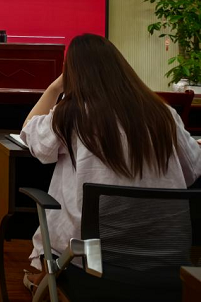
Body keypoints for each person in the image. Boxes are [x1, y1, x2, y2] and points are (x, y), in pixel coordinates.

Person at [19, 33, 201, 290]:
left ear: (72, 74)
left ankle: (49, 277)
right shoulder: (164, 114)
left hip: (92, 263)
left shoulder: (72, 114)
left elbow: (28, 131)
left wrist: (54, 88)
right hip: (166, 262)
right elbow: (192, 171)